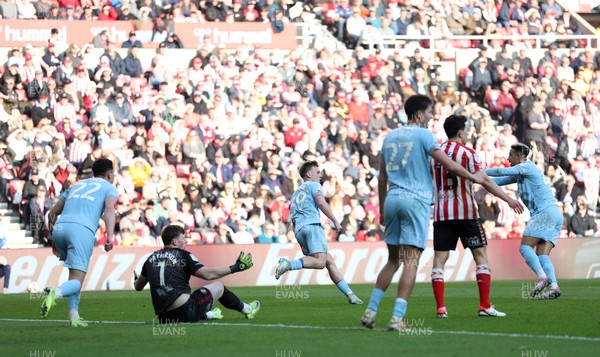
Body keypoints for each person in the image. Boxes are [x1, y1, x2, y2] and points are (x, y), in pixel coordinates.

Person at [361, 95, 487, 331]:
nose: (431, 117)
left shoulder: (389, 137)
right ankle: (397, 318)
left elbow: (381, 179)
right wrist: (473, 177)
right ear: (418, 114)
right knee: (411, 261)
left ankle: (370, 310)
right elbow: (449, 164)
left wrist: (381, 209)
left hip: (392, 200)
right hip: (414, 200)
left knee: (392, 260)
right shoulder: (424, 135)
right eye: (429, 112)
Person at [430, 115, 524, 319]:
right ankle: (484, 306)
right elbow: (485, 182)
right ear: (461, 133)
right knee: (480, 257)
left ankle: (441, 309)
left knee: (439, 261)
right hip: (466, 213)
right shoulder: (468, 153)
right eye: (468, 132)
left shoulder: (434, 155)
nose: (469, 135)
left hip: (442, 214)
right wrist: (509, 199)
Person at [41, 158, 118, 327]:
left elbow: (52, 213)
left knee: (74, 276)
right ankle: (56, 292)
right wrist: (110, 236)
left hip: (60, 227)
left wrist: (53, 236)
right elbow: (110, 209)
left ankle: (73, 317)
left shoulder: (75, 185)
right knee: (77, 280)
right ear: (109, 174)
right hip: (81, 230)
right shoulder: (109, 188)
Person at [274, 160, 363, 305]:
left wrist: (300, 239)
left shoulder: (296, 193)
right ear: (309, 174)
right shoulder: (314, 185)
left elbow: (293, 218)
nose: (321, 175)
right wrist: (335, 220)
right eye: (317, 172)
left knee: (328, 260)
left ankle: (350, 294)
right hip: (312, 226)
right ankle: (289, 264)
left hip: (299, 229)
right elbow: (321, 203)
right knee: (321, 262)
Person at [134, 225, 260, 323]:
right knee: (219, 287)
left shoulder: (151, 258)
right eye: (183, 238)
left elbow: (138, 287)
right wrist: (235, 268)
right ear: (175, 242)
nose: (186, 242)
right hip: (186, 311)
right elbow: (208, 275)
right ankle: (248, 309)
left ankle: (209, 314)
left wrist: (136, 279)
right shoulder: (182, 255)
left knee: (193, 296)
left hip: (164, 318)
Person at [486, 143, 563, 300]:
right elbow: (497, 181)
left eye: (510, 155)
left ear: (519, 156)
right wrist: (474, 178)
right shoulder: (522, 173)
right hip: (555, 214)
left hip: (545, 212)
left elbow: (501, 171)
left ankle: (542, 277)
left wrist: (476, 172)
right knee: (542, 254)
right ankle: (554, 286)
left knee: (525, 248)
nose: (508, 158)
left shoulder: (528, 166)